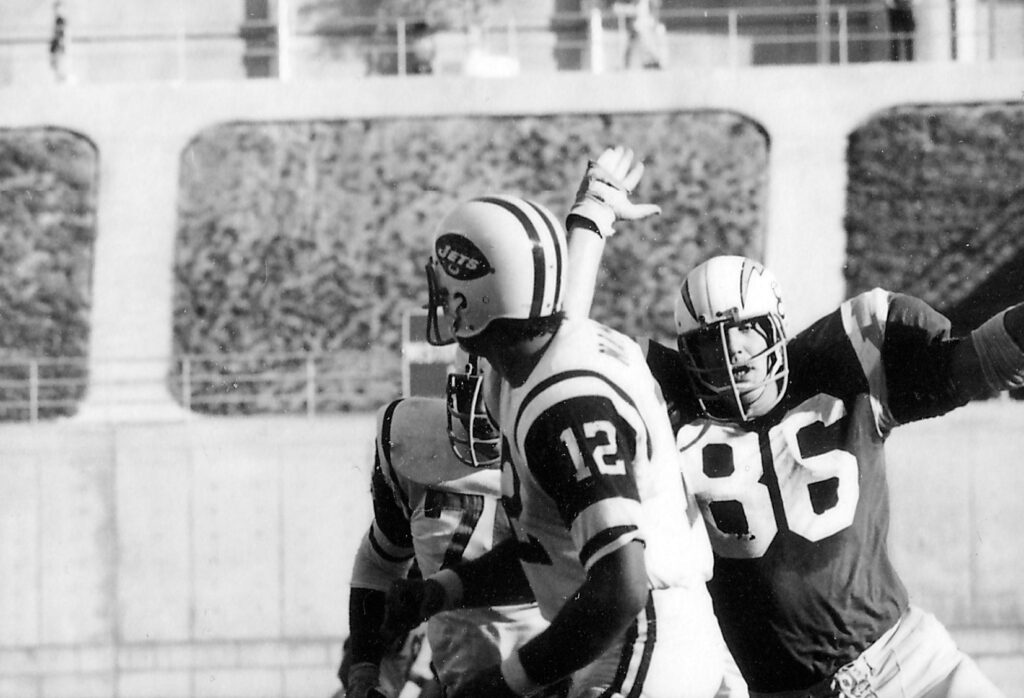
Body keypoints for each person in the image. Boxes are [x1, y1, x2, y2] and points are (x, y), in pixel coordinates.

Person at [564, 169, 1011, 696]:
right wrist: (591, 217)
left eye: (745, 332)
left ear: (776, 326)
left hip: (910, 666)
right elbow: (563, 350)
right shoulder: (667, 406)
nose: (731, 352)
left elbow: (981, 360)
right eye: (709, 343)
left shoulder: (846, 366)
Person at [384, 187, 724, 698]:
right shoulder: (535, 366)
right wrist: (444, 590)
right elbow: (551, 554)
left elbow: (620, 586)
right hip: (637, 637)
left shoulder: (563, 405)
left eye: (447, 284)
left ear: (474, 298)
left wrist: (504, 684)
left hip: (641, 641)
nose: (439, 297)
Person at [336, 355, 550, 698]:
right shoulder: (415, 438)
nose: (484, 416)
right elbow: (379, 562)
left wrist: (441, 590)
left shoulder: (561, 438)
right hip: (462, 676)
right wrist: (363, 670)